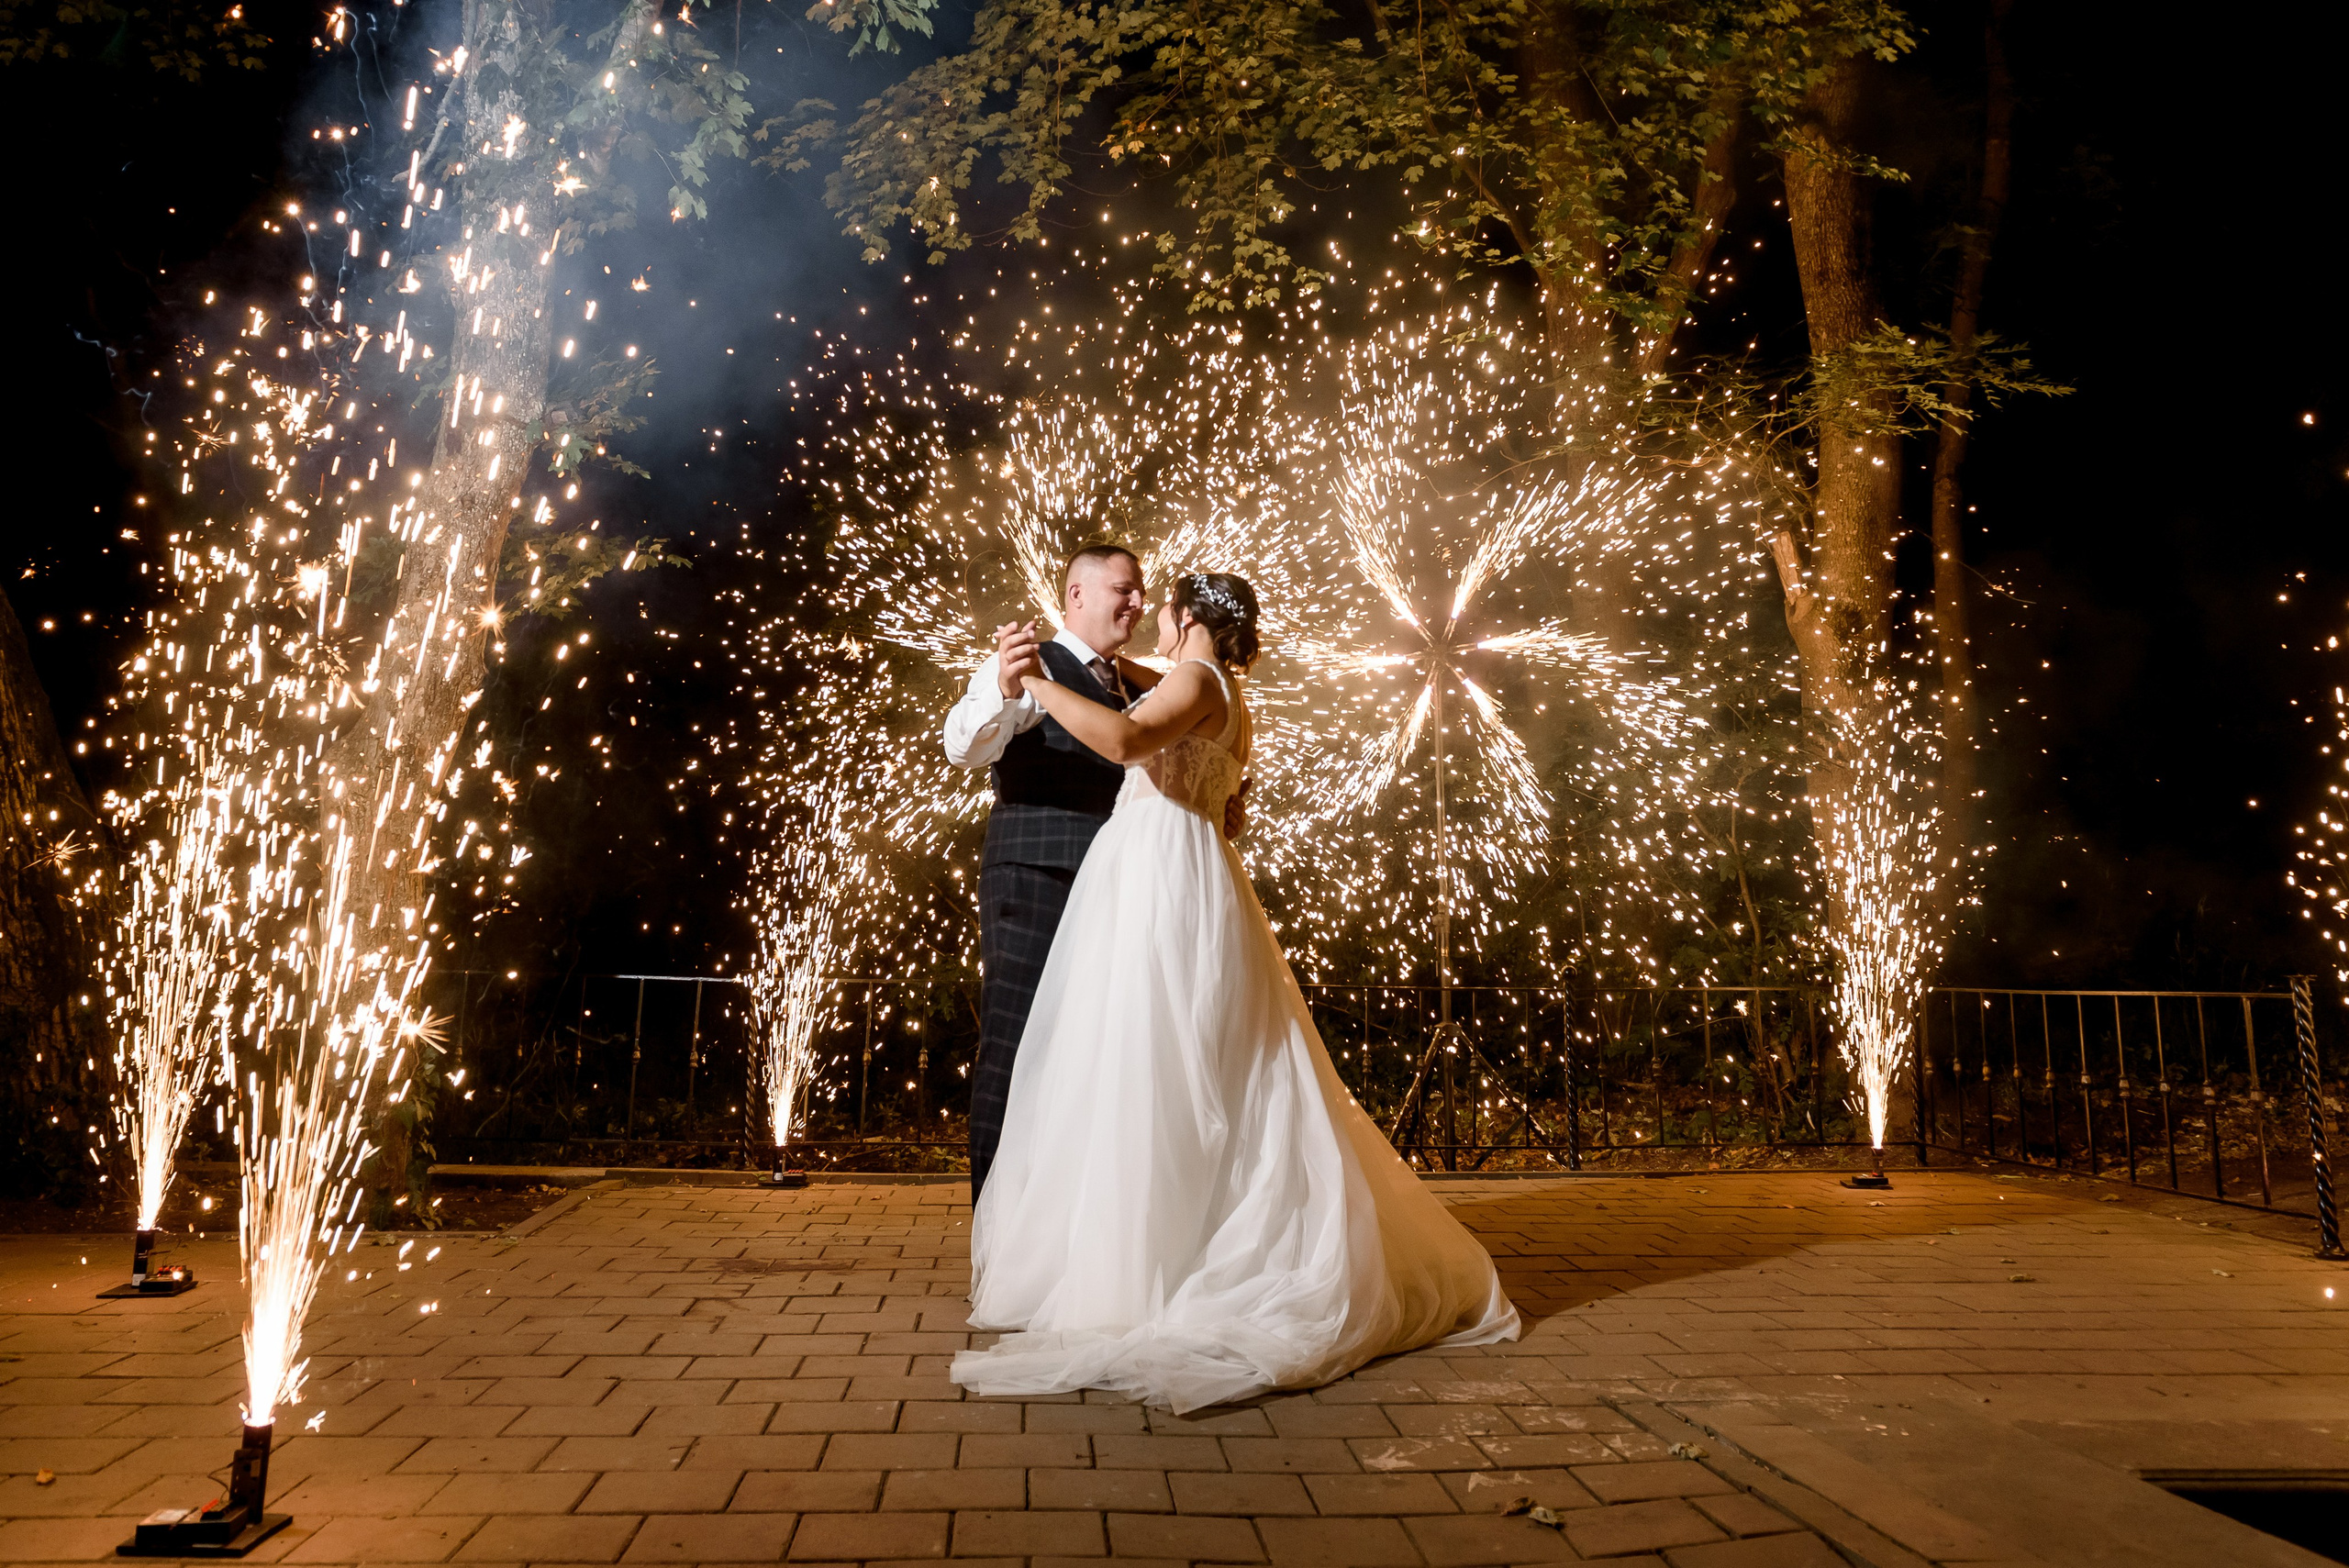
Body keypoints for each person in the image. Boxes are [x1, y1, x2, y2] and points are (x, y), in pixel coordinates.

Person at [951, 572, 1520, 1413]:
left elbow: (1120, 741)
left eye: (1158, 603)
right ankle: (1159, 1241)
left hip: (1161, 879)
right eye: (1122, 592)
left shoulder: (1193, 678)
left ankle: (1145, 1261)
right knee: (1177, 1065)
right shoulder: (1212, 682)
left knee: (1155, 1061)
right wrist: (1060, 669)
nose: (1145, 613)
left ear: (1186, 620)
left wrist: (1033, 678)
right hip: (1169, 871)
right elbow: (1146, 700)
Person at [941, 540, 1164, 1201]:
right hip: (1036, 875)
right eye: (1124, 589)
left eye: (1141, 591)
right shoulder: (1030, 663)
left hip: (1114, 883)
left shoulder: (1132, 682)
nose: (1137, 602)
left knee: (1098, 1055)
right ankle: (993, 1227)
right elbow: (962, 745)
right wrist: (1007, 690)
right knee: (1013, 1047)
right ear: (1077, 594)